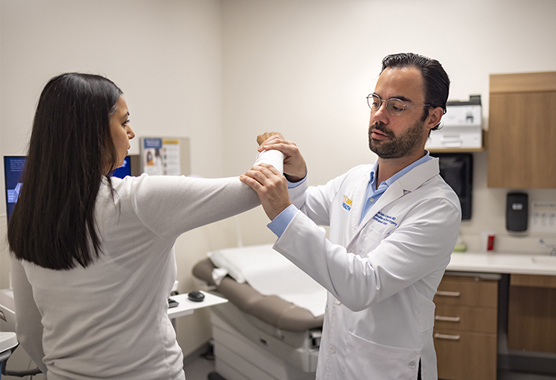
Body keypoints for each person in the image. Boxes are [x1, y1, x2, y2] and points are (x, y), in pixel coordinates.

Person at [8, 73, 282, 380]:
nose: (131, 133)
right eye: (124, 122)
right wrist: (273, 147)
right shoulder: (136, 202)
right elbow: (256, 188)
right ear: (92, 133)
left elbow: (29, 332)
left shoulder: (27, 217)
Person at [240, 53, 462, 379]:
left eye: (397, 106)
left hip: (387, 367)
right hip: (337, 357)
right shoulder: (355, 179)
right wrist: (298, 177)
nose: (379, 116)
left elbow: (363, 285)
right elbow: (304, 208)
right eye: (376, 101)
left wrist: (281, 210)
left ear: (432, 117)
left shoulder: (437, 206)